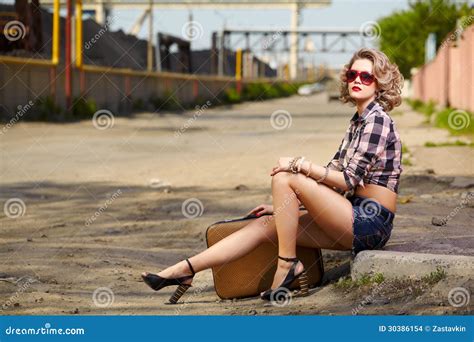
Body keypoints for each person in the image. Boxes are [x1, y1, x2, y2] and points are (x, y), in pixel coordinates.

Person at [141, 47, 404, 304]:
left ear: (379, 84)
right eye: (352, 75)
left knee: (285, 176)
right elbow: (332, 178)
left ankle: (287, 265)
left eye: (366, 77)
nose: (357, 80)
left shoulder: (377, 121)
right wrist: (284, 207)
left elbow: (346, 180)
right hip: (349, 213)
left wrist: (299, 164)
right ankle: (185, 270)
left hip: (370, 222)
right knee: (265, 224)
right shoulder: (357, 121)